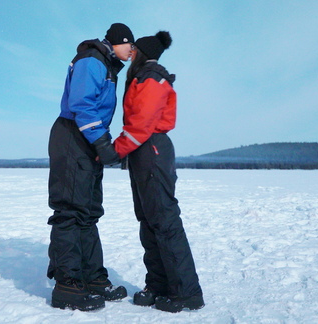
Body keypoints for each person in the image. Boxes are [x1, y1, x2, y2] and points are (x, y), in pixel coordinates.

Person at [113, 30, 204, 313]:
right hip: (143, 153)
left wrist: (114, 150)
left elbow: (141, 124)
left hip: (151, 150)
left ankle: (186, 292)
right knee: (149, 221)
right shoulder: (144, 77)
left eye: (133, 51)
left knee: (164, 221)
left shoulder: (151, 78)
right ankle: (158, 285)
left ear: (140, 52)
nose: (130, 56)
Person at [47, 22, 135, 311]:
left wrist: (103, 143)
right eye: (130, 46)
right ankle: (67, 285)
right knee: (70, 210)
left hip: (87, 137)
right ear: (118, 43)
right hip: (73, 134)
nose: (133, 51)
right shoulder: (92, 60)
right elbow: (82, 104)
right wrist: (101, 143)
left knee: (88, 210)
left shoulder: (107, 65)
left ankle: (92, 277)